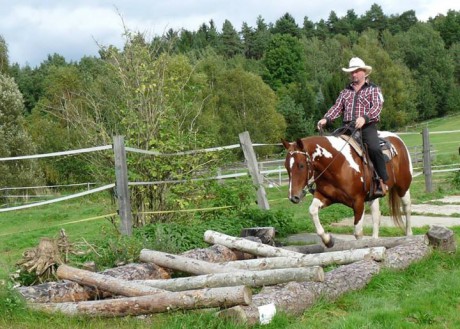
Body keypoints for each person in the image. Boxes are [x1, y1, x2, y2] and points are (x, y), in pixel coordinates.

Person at [317, 57, 388, 197]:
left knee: (374, 148)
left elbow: (377, 107)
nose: (353, 74)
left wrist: (365, 118)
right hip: (347, 127)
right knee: (331, 147)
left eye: (356, 71)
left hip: (367, 126)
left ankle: (383, 181)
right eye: (352, 72)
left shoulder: (374, 89)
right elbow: (337, 107)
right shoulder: (345, 92)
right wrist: (326, 118)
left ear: (364, 73)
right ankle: (330, 183)